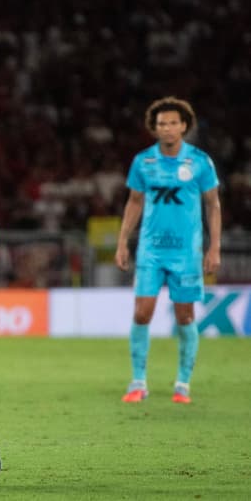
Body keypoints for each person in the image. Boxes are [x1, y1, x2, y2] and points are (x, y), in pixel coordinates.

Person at [115, 96, 221, 404]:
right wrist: (123, 241)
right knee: (141, 312)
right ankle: (137, 382)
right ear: (154, 128)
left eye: (173, 122)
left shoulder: (200, 162)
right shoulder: (143, 162)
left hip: (187, 253)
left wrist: (214, 248)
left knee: (185, 316)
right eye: (162, 124)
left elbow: (213, 204)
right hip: (151, 250)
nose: (168, 128)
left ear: (184, 126)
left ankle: (182, 384)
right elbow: (134, 202)